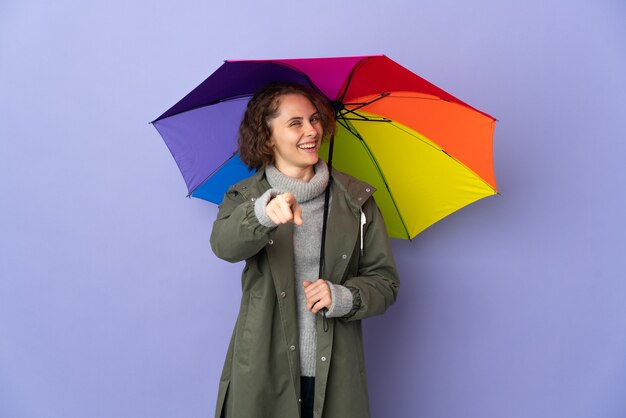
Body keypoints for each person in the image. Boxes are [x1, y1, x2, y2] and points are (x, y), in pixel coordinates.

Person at [210, 82, 400, 418]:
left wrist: (341, 296)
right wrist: (262, 215)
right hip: (264, 369)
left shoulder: (356, 201)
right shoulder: (246, 197)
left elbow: (385, 282)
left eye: (314, 120)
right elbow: (224, 245)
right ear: (267, 137)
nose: (311, 130)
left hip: (335, 373)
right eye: (295, 123)